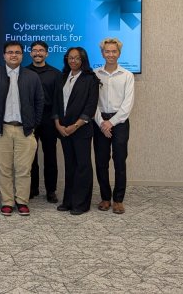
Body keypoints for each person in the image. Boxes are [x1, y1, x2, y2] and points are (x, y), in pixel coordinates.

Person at [0, 41, 44, 217]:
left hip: (25, 130)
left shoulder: (32, 77)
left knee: (24, 168)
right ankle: (7, 202)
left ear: (22, 55)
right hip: (1, 130)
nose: (13, 55)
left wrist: (34, 123)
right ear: (3, 55)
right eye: (10, 52)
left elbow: (39, 102)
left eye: (17, 52)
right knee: (3, 168)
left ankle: (22, 201)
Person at [53, 46, 99, 216]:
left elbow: (90, 106)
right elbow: (57, 103)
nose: (73, 61)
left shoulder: (90, 79)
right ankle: (69, 201)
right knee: (70, 166)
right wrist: (58, 124)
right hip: (64, 130)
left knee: (83, 166)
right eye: (70, 58)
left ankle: (81, 203)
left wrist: (76, 125)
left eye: (77, 58)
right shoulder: (62, 76)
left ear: (83, 60)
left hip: (80, 130)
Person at [93, 37, 135, 215]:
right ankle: (104, 198)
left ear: (119, 53)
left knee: (119, 162)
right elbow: (91, 102)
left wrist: (111, 122)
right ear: (102, 53)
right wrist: (102, 122)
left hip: (120, 123)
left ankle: (118, 200)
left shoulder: (127, 75)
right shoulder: (95, 74)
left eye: (114, 51)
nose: (110, 54)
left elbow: (128, 104)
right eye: (107, 51)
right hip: (99, 122)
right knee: (101, 162)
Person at [26, 40, 62, 204]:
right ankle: (32, 188)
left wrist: (56, 120)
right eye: (35, 50)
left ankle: (51, 190)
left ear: (47, 53)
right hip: (30, 118)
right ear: (30, 53)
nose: (38, 53)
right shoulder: (23, 72)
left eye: (41, 50)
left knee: (50, 156)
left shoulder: (55, 73)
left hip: (48, 118)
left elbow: (58, 100)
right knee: (30, 156)